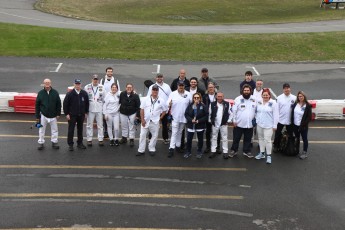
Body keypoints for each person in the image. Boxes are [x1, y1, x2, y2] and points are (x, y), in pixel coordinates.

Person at [137, 85, 167, 156]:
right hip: (145, 121)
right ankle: (141, 150)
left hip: (155, 121)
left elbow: (165, 110)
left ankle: (151, 148)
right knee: (142, 135)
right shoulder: (145, 99)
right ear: (151, 91)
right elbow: (142, 110)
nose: (155, 91)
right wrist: (142, 120)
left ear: (158, 91)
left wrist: (160, 118)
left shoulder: (161, 100)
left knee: (154, 135)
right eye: (154, 90)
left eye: (156, 90)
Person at [230, 84, 257, 158]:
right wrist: (234, 121)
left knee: (248, 139)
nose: (246, 92)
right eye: (245, 90)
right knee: (236, 138)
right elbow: (233, 111)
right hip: (239, 124)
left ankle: (247, 151)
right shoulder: (238, 99)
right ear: (242, 91)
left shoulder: (254, 99)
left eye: (248, 90)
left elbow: (257, 111)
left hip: (250, 124)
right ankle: (234, 150)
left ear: (250, 91)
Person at [167, 80, 192, 157]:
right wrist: (169, 103)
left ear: (184, 86)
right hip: (175, 117)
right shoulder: (173, 94)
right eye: (180, 86)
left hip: (184, 117)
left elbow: (191, 103)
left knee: (180, 132)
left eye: (182, 86)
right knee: (174, 132)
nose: (181, 87)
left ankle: (178, 146)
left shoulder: (188, 94)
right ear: (177, 86)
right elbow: (167, 102)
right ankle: (171, 148)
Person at [35, 78, 61, 150]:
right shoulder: (40, 93)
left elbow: (58, 104)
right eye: (46, 82)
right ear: (43, 83)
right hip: (43, 115)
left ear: (50, 83)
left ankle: (54, 142)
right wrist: (37, 116)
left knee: (55, 130)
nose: (47, 84)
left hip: (53, 115)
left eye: (48, 82)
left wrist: (58, 114)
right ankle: (41, 143)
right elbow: (37, 105)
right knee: (41, 130)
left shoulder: (55, 92)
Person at [63, 79, 89, 151]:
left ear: (81, 84)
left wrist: (86, 112)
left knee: (80, 129)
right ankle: (70, 144)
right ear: (74, 84)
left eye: (79, 84)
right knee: (71, 130)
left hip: (81, 115)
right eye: (76, 84)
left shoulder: (84, 93)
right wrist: (67, 114)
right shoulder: (70, 94)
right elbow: (65, 104)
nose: (77, 85)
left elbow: (87, 103)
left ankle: (80, 143)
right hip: (72, 115)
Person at [254, 88, 279, 164]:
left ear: (269, 95)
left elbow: (276, 115)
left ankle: (269, 156)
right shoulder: (259, 102)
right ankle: (262, 153)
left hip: (269, 126)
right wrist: (257, 120)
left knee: (267, 141)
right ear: (262, 95)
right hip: (260, 124)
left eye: (266, 95)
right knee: (260, 139)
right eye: (264, 95)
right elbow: (256, 112)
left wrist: (275, 125)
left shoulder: (273, 103)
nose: (265, 96)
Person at [146, 73, 172, 144]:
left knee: (165, 125)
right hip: (155, 110)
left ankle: (165, 138)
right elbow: (148, 97)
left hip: (164, 109)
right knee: (152, 124)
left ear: (163, 78)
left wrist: (168, 105)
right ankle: (150, 137)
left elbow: (170, 96)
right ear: (156, 78)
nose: (159, 78)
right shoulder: (152, 86)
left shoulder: (167, 86)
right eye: (158, 77)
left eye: (161, 77)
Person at [273, 83, 297, 152]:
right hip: (280, 119)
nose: (286, 89)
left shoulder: (294, 98)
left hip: (290, 120)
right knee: (277, 134)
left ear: (290, 89)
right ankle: (276, 145)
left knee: (290, 134)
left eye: (288, 88)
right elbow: (276, 110)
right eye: (285, 88)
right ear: (283, 89)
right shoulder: (279, 98)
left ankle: (290, 146)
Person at [209, 92, 233, 159]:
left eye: (221, 96)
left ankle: (225, 152)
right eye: (218, 96)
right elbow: (210, 114)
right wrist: (211, 121)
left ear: (223, 97)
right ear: (216, 97)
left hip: (223, 124)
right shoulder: (212, 104)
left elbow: (231, 113)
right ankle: (213, 151)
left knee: (225, 138)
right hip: (215, 124)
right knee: (214, 137)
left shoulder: (227, 104)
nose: (219, 98)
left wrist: (228, 121)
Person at [184, 92, 208, 159]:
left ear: (200, 98)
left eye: (198, 97)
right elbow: (186, 114)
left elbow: (206, 116)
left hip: (200, 126)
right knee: (189, 139)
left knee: (200, 140)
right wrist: (191, 120)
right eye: (195, 97)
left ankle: (199, 151)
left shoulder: (203, 106)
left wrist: (199, 121)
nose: (196, 99)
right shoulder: (190, 106)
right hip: (191, 126)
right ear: (193, 98)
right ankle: (188, 151)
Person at [85, 74, 105, 146]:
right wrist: (85, 110)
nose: (95, 80)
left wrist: (103, 109)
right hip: (90, 109)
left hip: (99, 109)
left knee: (100, 125)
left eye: (96, 79)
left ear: (98, 80)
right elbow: (85, 99)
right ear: (92, 80)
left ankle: (100, 139)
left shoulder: (102, 87)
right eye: (94, 79)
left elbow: (104, 98)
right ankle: (89, 139)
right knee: (89, 125)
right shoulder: (87, 87)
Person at [100, 67, 120, 138]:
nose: (110, 73)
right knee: (106, 117)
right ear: (106, 72)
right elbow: (100, 90)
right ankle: (106, 131)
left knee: (113, 118)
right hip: (105, 101)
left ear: (112, 72)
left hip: (113, 101)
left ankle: (112, 132)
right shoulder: (102, 80)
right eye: (108, 71)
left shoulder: (115, 80)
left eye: (111, 71)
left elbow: (118, 91)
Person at [291, 91, 312, 160]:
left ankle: (304, 152)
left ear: (304, 97)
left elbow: (309, 117)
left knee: (304, 139)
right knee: (297, 138)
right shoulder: (296, 104)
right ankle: (296, 150)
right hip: (295, 125)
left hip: (303, 126)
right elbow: (292, 114)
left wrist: (303, 125)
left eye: (301, 96)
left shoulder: (308, 105)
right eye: (299, 96)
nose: (300, 97)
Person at [203, 82, 220, 154]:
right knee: (208, 132)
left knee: (217, 133)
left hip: (216, 117)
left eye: (212, 87)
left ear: (214, 88)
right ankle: (208, 147)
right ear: (207, 89)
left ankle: (217, 147)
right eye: (209, 87)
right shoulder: (204, 97)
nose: (211, 89)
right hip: (208, 117)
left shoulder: (218, 96)